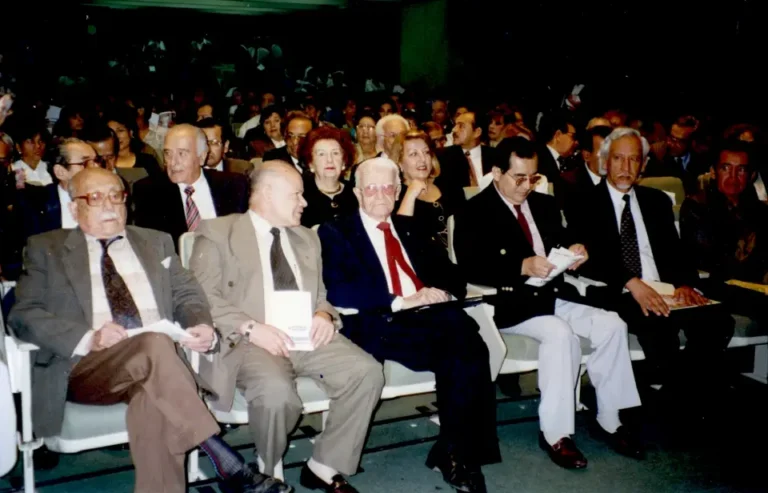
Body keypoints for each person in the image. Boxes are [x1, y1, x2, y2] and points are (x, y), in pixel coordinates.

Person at [8, 168, 291, 493]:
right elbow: (23, 315)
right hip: (87, 368)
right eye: (95, 198)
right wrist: (88, 337)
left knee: (153, 400)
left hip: (159, 369)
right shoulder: (47, 247)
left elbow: (187, 293)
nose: (110, 206)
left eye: (116, 196)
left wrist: (200, 323)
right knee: (155, 345)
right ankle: (226, 461)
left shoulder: (154, 241)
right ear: (74, 208)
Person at [191, 161, 383, 493]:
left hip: (304, 334)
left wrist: (324, 315)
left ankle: (324, 464)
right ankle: (267, 467)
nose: (304, 202)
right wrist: (251, 327)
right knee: (278, 394)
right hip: (251, 340)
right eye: (296, 194)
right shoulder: (218, 233)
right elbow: (201, 296)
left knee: (366, 372)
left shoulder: (307, 238)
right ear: (266, 193)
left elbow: (321, 295)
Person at [454, 137, 643, 469]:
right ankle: (556, 433)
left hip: (552, 295)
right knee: (559, 333)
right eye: (519, 178)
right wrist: (520, 266)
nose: (527, 185)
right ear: (497, 172)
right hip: (508, 305)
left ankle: (610, 419)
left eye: (533, 177)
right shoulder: (474, 210)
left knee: (613, 324)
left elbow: (560, 241)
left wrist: (576, 249)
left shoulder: (543, 205)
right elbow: (470, 266)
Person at [318, 158, 500, 493]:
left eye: (387, 187)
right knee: (460, 342)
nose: (379, 194)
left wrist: (440, 292)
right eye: (370, 188)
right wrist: (401, 300)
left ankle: (456, 451)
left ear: (398, 190)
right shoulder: (337, 231)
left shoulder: (410, 227)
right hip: (378, 320)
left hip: (425, 318)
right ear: (357, 193)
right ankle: (456, 452)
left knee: (468, 342)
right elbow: (337, 288)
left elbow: (451, 274)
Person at [574, 128, 734, 420]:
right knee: (660, 327)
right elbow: (589, 258)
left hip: (663, 288)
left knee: (718, 321)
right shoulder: (583, 201)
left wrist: (685, 283)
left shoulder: (656, 201)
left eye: (634, 160)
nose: (626, 168)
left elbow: (677, 252)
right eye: (619, 159)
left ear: (643, 165)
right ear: (605, 161)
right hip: (619, 289)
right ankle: (671, 400)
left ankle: (672, 390)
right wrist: (632, 283)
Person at [133, 124, 249, 249]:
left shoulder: (234, 185)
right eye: (168, 153)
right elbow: (151, 249)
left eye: (182, 154)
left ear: (202, 156)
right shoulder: (148, 191)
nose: (173, 162)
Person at [395, 129, 464, 248]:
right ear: (400, 163)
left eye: (426, 152)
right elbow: (401, 240)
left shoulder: (449, 186)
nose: (422, 159)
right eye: (413, 154)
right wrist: (410, 195)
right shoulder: (396, 196)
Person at [300, 127, 358, 228]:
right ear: (311, 164)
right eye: (321, 154)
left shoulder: (356, 194)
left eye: (335, 153)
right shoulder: (300, 195)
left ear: (344, 162)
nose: (329, 160)